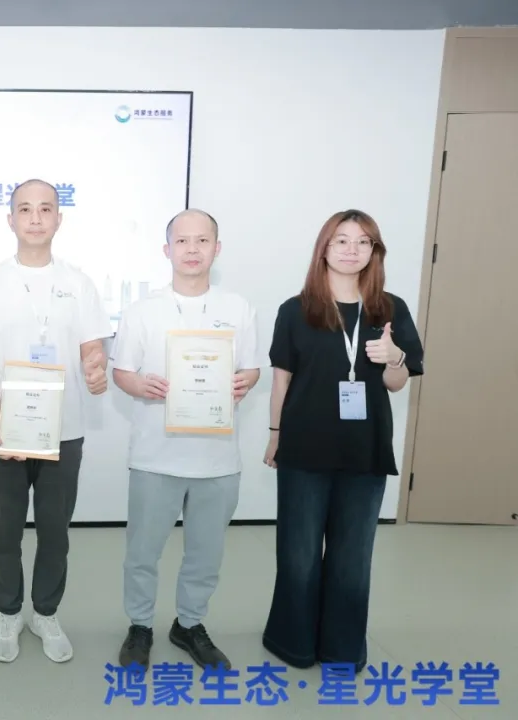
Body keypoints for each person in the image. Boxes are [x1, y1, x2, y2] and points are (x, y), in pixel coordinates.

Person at [0, 178, 113, 664]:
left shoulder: (79, 283)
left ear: (59, 219)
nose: (36, 218)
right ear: (11, 219)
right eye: (25, 209)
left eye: (46, 208)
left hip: (64, 431)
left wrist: (96, 368)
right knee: (5, 532)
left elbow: (93, 348)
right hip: (4, 431)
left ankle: (45, 612)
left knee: (55, 532)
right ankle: (8, 613)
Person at [262, 209, 424, 673]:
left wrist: (394, 357)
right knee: (299, 556)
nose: (352, 250)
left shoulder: (390, 309)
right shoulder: (295, 310)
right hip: (304, 448)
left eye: (363, 242)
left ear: (375, 251)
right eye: (342, 240)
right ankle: (292, 642)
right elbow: (281, 381)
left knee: (352, 558)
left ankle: (342, 648)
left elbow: (397, 384)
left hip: (364, 451)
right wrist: (274, 435)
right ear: (325, 249)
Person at [111, 209, 263, 671]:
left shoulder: (238, 308)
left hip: (217, 460)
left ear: (217, 249)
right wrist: (140, 385)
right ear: (167, 250)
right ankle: (140, 625)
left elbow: (252, 367)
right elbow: (122, 372)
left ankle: (190, 624)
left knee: (205, 554)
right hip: (155, 456)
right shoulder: (142, 311)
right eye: (182, 241)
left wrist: (246, 381)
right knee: (143, 553)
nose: (192, 249)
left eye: (202, 241)